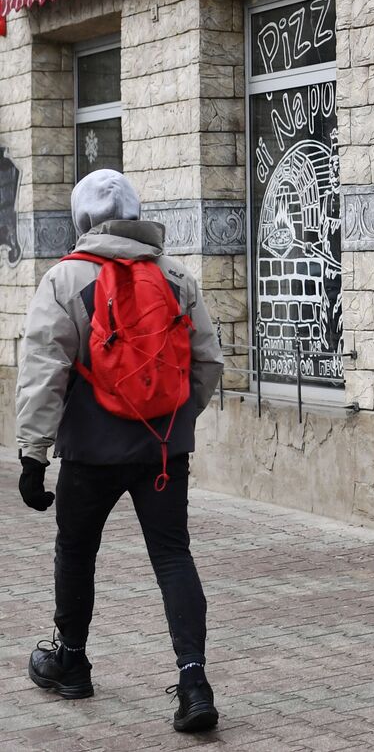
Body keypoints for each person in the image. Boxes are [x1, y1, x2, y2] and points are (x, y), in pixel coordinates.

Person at [16, 169, 224, 733]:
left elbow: (44, 372)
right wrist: (172, 421)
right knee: (173, 556)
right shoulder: (176, 276)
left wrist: (33, 454)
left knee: (76, 551)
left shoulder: (64, 279)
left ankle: (72, 661)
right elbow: (208, 362)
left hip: (89, 451)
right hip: (161, 452)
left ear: (81, 219)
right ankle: (193, 680)